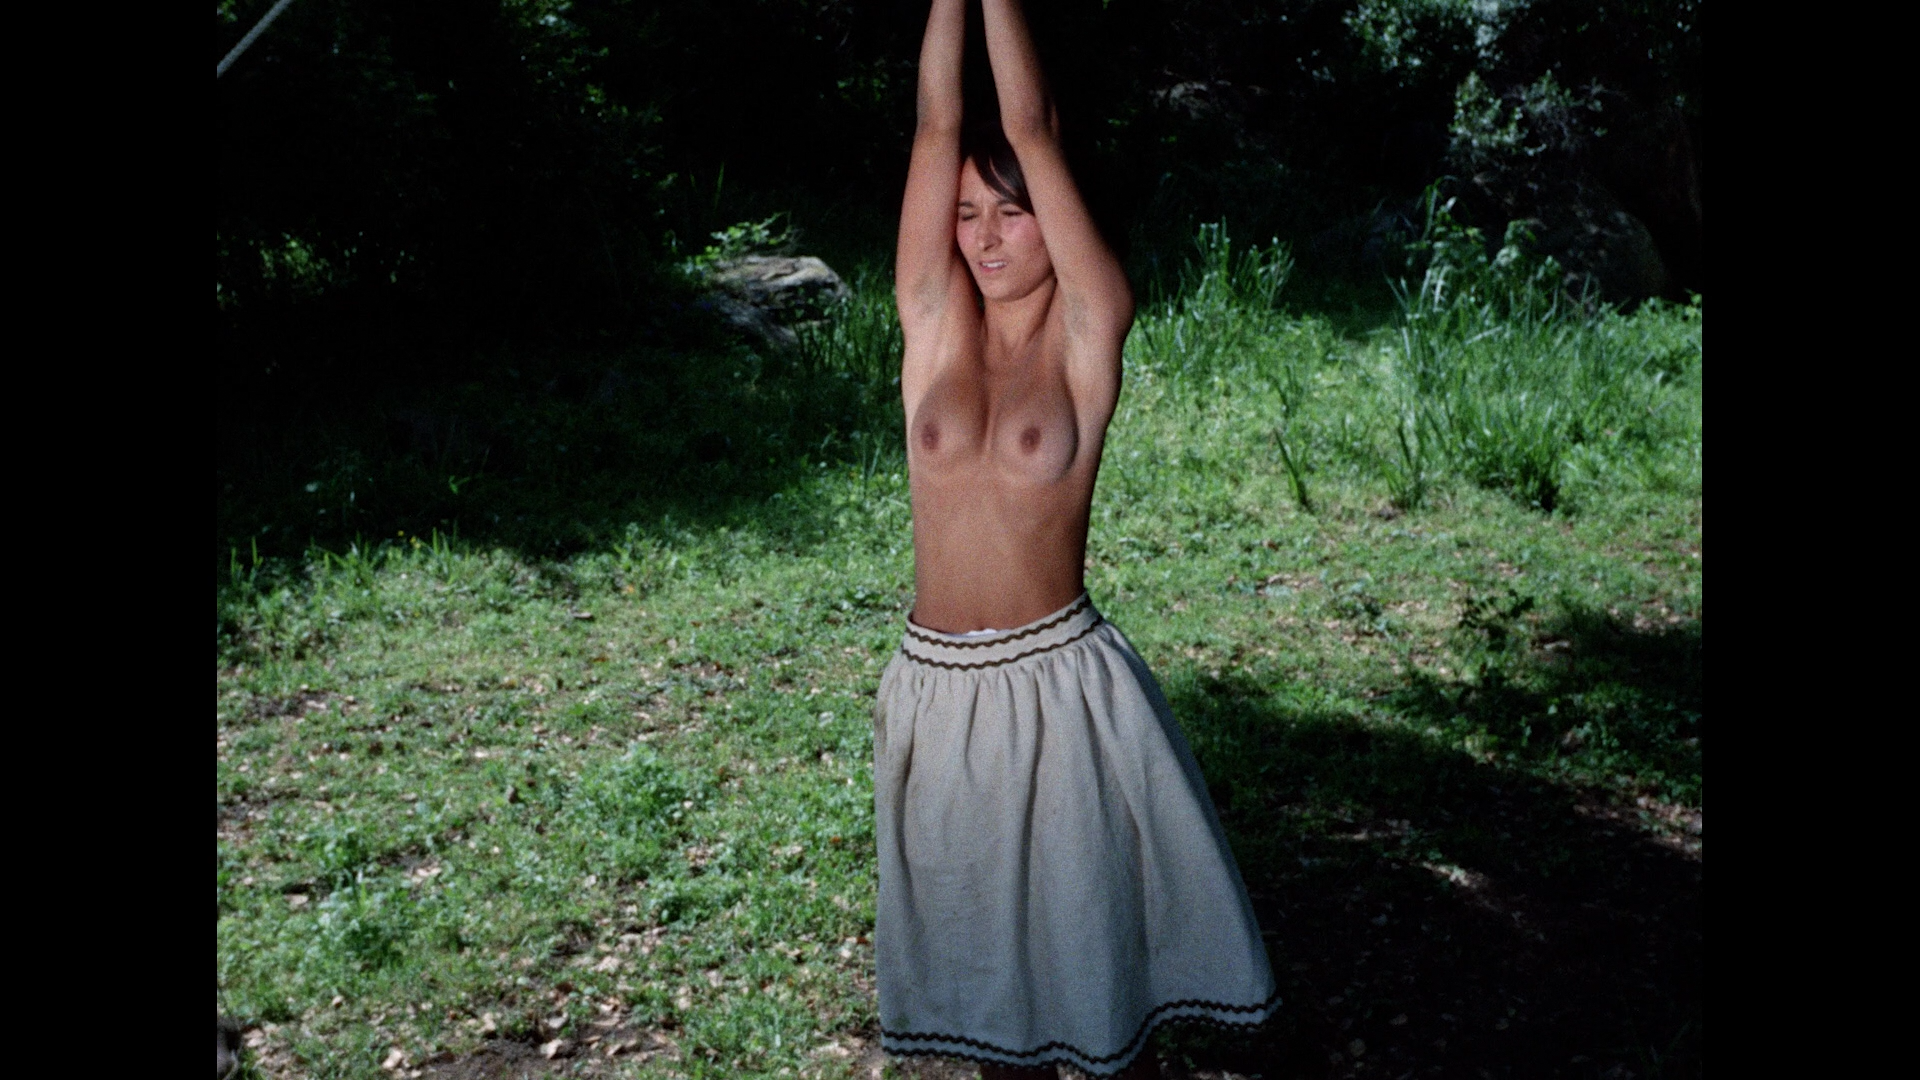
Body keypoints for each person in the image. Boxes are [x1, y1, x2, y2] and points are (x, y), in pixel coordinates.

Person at [871, 1, 1279, 1077]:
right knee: (993, 1009)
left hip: (1057, 695)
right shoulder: (934, 326)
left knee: (1094, 998)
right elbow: (935, 124)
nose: (985, 237)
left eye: (1012, 213)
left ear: (1057, 215)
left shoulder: (1088, 328)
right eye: (968, 214)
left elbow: (1033, 124)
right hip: (934, 695)